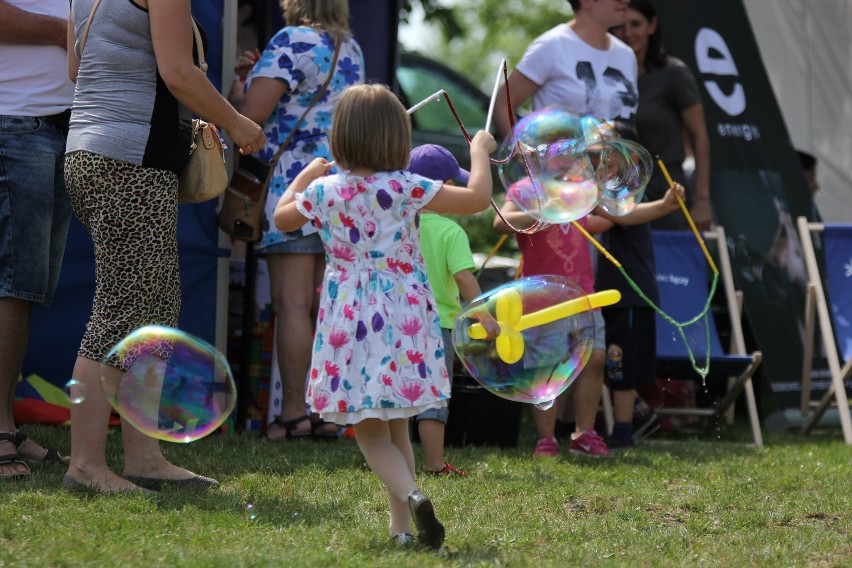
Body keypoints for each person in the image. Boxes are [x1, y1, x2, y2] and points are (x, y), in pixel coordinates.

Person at [274, 84, 497, 548]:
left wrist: (303, 176)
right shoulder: (405, 187)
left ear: (340, 137)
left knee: (372, 431)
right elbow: (477, 198)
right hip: (405, 315)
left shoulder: (324, 191)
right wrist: (477, 150)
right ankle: (402, 527)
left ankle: (412, 500)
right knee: (396, 424)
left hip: (351, 322)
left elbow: (281, 219)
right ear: (398, 137)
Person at [63, 0, 265, 494]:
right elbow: (177, 73)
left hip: (98, 152)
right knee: (122, 311)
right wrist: (237, 122)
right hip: (126, 160)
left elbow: (77, 68)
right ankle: (86, 466)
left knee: (151, 309)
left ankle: (145, 457)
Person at [493, 0, 638, 456]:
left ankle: (586, 430)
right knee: (547, 351)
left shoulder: (626, 54)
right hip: (556, 192)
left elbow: (615, 131)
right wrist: (528, 162)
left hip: (593, 190)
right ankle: (546, 435)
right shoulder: (553, 44)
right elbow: (506, 103)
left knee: (593, 346)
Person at [229, 0, 364, 442]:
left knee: (291, 305)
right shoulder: (351, 50)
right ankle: (326, 410)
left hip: (293, 187)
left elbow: (251, 115)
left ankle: (293, 414)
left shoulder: (291, 40)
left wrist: (235, 85)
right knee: (324, 304)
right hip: (339, 189)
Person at [0, 0, 75, 480]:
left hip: (60, 125)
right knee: (12, 285)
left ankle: (5, 423)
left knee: (24, 289)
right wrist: (63, 31)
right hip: (14, 122)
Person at [408, 144, 500, 477]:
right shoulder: (450, 231)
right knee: (433, 397)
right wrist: (484, 315)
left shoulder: (400, 225)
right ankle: (434, 464)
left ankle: (391, 461)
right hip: (437, 326)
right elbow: (464, 278)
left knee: (396, 392)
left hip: (397, 320)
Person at [610, 0, 712, 231]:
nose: (627, 33)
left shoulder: (672, 73)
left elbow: (700, 136)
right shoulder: (604, 76)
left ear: (652, 26)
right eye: (619, 26)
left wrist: (703, 201)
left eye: (636, 24)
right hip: (617, 197)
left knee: (671, 266)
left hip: (667, 194)